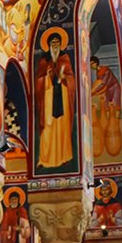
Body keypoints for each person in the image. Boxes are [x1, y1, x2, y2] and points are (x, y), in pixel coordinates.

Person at [35, 30, 74, 168]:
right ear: (49, 45)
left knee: (62, 129)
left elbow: (71, 79)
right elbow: (38, 80)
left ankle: (65, 157)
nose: (55, 45)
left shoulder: (65, 58)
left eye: (58, 42)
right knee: (48, 129)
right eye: (53, 43)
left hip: (62, 96)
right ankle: (44, 160)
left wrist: (65, 78)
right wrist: (46, 76)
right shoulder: (44, 60)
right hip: (48, 97)